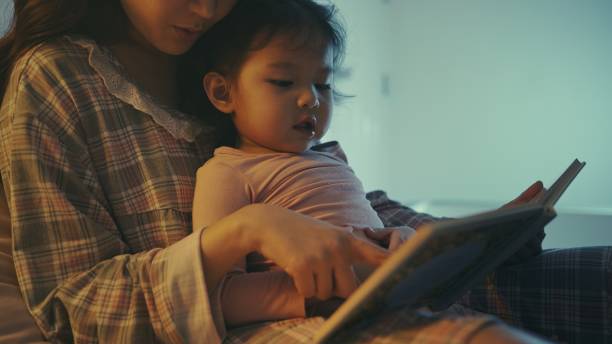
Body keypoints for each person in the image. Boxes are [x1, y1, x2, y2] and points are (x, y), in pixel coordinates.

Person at [0, 0, 608, 343]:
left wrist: (469, 235)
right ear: (222, 92)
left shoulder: (227, 43)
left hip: (376, 273)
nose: (209, 7)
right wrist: (250, 231)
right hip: (273, 315)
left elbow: (336, 192)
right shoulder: (58, 80)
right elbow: (69, 305)